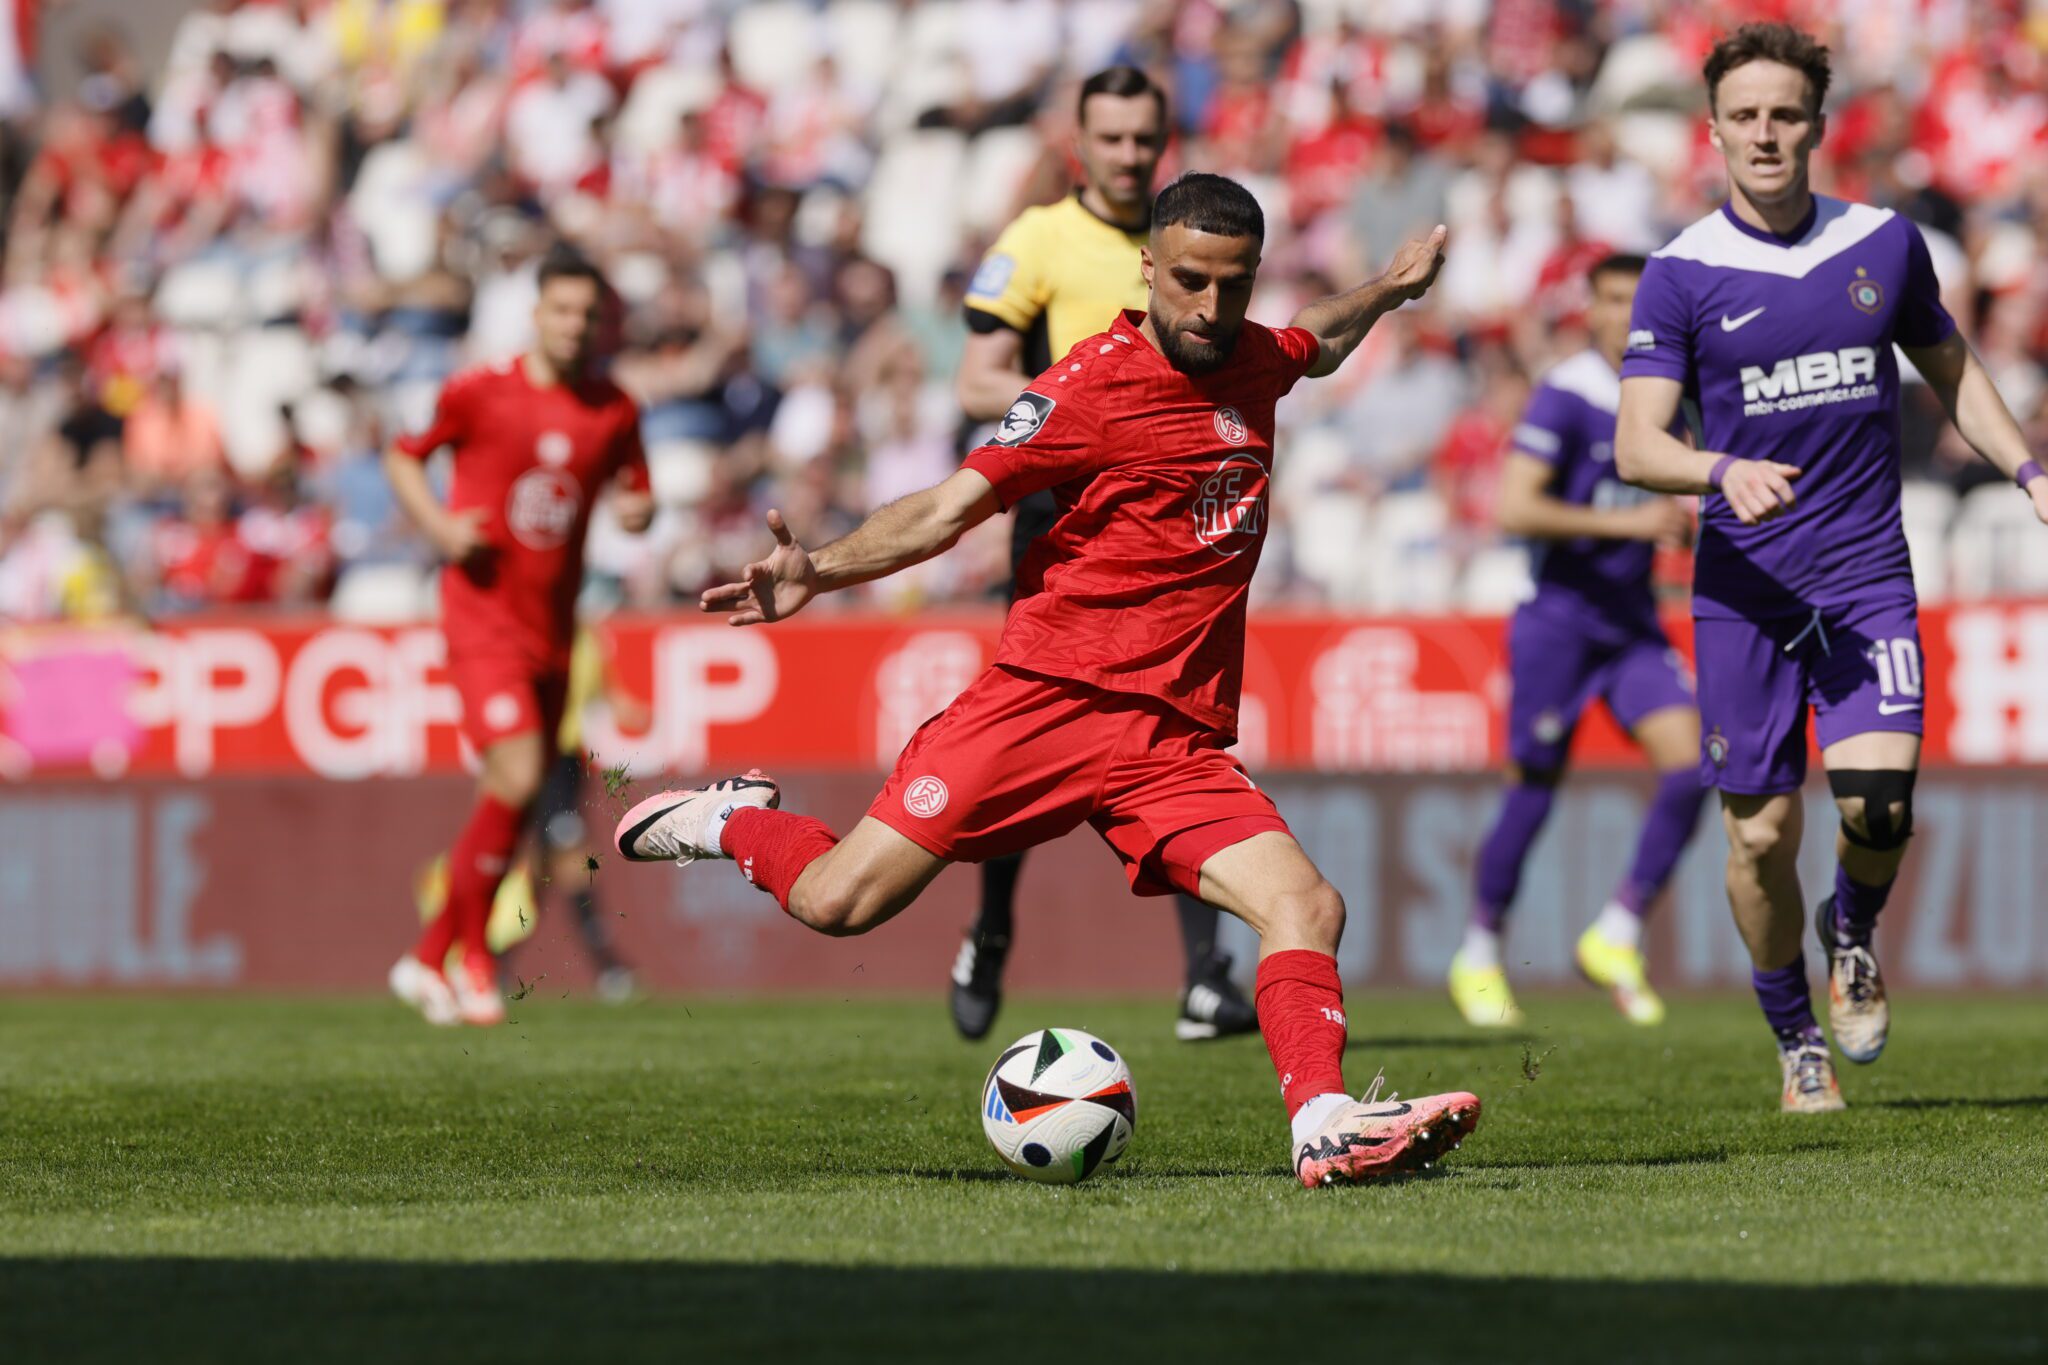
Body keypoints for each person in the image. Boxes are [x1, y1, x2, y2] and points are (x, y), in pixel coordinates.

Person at [615, 174, 1482, 1188]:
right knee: (837, 903)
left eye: (1232, 286)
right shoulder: (1088, 388)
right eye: (1190, 282)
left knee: (1307, 907)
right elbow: (948, 510)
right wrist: (823, 566)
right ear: (1148, 269)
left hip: (1168, 742)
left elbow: (1313, 341)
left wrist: (1385, 286)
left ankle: (1323, 1123)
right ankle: (732, 821)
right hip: (1044, 704)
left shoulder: (1248, 353)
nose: (1210, 309)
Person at [1614, 24, 2048, 1111]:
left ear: (1817, 124)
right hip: (1744, 595)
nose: (1764, 134)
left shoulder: (1882, 245)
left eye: (1785, 114)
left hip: (1862, 579)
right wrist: (1717, 470)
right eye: (1744, 115)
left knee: (1876, 810)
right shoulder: (1678, 274)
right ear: (1711, 130)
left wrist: (2029, 472)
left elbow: (1953, 373)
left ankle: (1847, 927)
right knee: (1759, 834)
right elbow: (1637, 445)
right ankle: (1790, 1031)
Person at [953, 65, 1256, 1046]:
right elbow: (975, 376)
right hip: (1061, 513)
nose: (1129, 155)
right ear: (1076, 139)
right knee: (1025, 727)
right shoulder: (1038, 238)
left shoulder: (1193, 241)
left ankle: (1207, 972)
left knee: (1173, 724)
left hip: (1174, 509)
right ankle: (992, 925)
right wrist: (1088, 408)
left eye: (1143, 138)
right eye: (1111, 138)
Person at [385, 245, 654, 1027]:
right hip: (481, 618)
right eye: (563, 310)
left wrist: (640, 512)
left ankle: (439, 955)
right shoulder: (479, 392)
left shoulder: (613, 408)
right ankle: (459, 956)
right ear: (537, 313)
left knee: (516, 795)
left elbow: (638, 493)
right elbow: (405, 459)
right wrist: (439, 524)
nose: (575, 326)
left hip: (555, 632)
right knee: (517, 771)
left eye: (589, 315)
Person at [1449, 254, 1706, 1029]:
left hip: (1630, 624)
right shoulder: (1567, 396)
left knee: (1694, 766)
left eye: (1638, 300)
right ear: (1588, 312)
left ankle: (1618, 930)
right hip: (1558, 622)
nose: (1624, 315)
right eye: (1612, 300)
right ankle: (1480, 952)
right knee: (1533, 791)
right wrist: (1631, 521)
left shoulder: (1669, 403)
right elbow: (1516, 510)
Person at [411, 621, 648, 1001]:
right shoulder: (527, 633)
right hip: (532, 755)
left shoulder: (586, 639)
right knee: (559, 850)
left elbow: (607, 693)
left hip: (568, 762)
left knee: (543, 862)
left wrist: (629, 710)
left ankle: (487, 958)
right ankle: (607, 966)